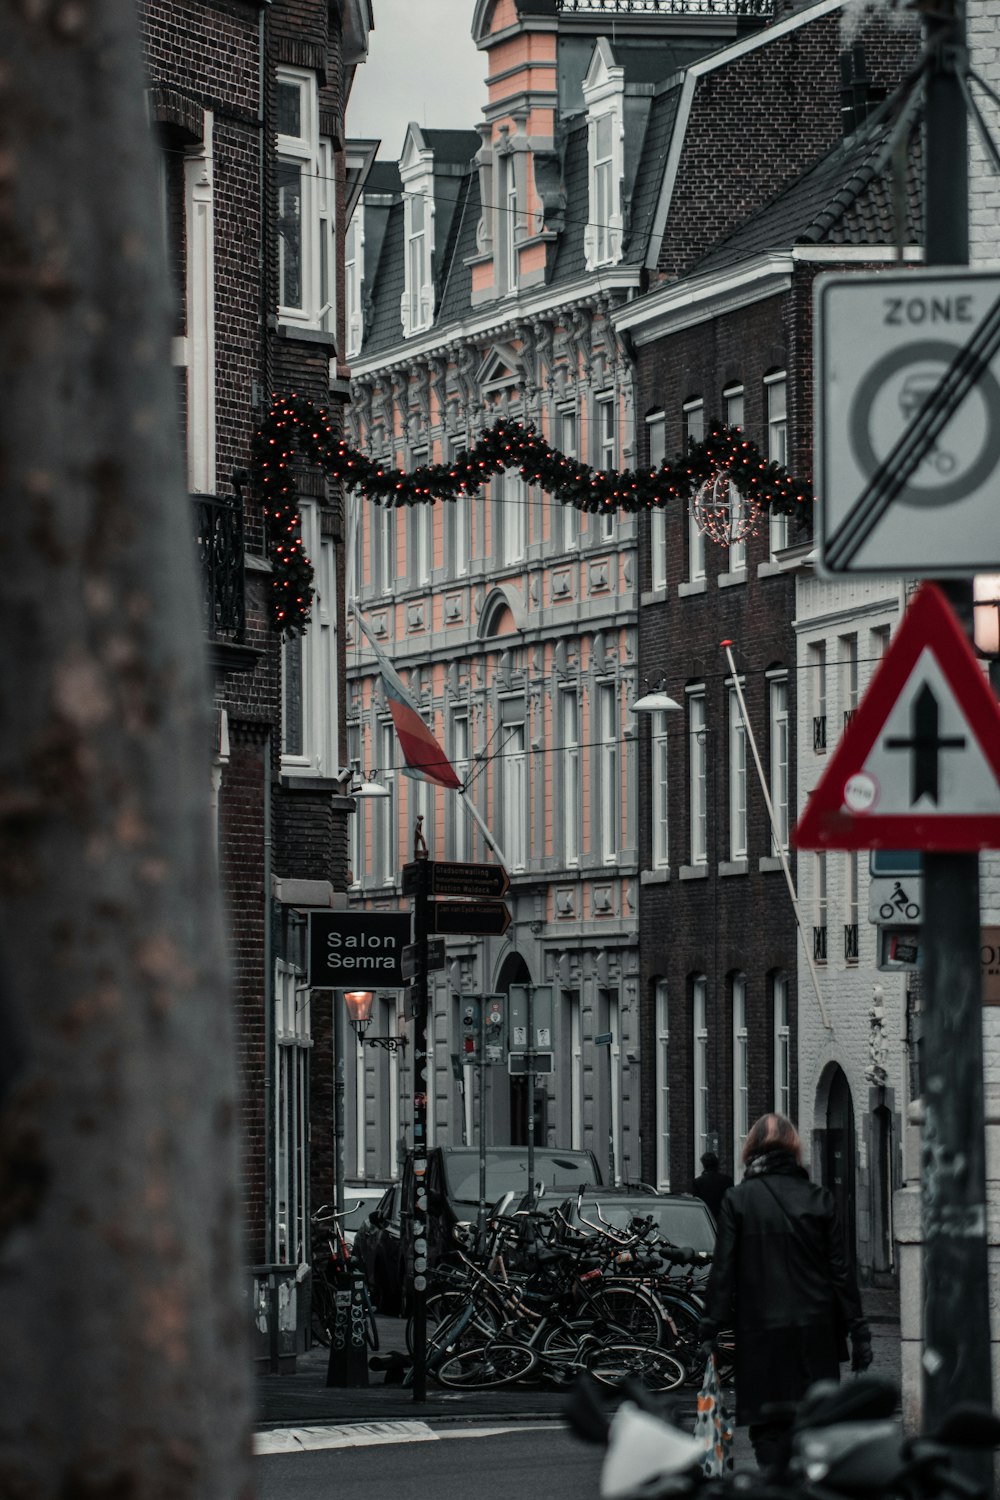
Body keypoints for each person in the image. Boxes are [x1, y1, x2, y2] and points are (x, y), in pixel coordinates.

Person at [699, 1112, 873, 1475]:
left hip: (761, 1334)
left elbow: (723, 1270)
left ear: (752, 1149)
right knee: (815, 1422)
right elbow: (841, 1273)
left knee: (769, 1427)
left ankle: (775, 1481)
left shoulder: (738, 1200)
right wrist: (859, 1333)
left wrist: (709, 1328)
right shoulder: (819, 1199)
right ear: (794, 1149)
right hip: (816, 1332)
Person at [691, 1150, 733, 1222]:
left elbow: (697, 1203)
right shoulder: (727, 1180)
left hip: (706, 1219)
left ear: (704, 1165)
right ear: (717, 1164)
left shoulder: (698, 1182)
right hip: (723, 1219)